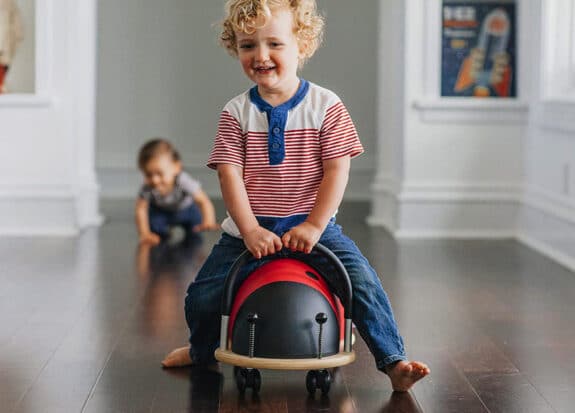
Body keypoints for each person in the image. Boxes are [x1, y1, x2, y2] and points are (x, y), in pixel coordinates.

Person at [162, 0, 430, 392]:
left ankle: (393, 363)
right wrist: (250, 230)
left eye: (275, 44)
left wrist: (315, 225)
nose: (261, 55)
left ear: (302, 45)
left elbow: (338, 169)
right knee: (203, 295)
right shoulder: (236, 112)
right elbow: (229, 174)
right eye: (247, 45)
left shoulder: (326, 106)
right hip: (248, 232)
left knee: (363, 284)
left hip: (314, 226)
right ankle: (202, 350)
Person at [136, 138, 219, 245]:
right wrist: (144, 233)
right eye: (148, 174)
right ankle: (162, 234)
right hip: (161, 211)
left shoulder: (183, 180)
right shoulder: (147, 187)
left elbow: (203, 200)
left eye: (159, 173)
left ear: (176, 167)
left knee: (195, 225)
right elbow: (141, 209)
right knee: (154, 223)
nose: (154, 180)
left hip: (186, 210)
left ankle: (193, 234)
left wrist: (208, 220)